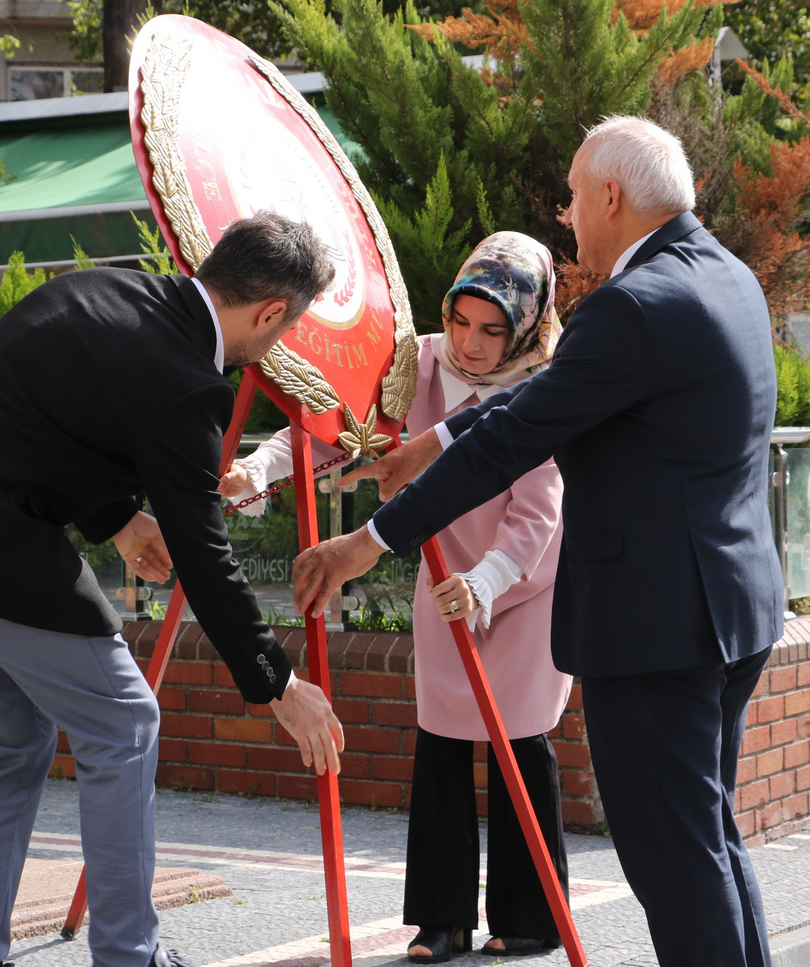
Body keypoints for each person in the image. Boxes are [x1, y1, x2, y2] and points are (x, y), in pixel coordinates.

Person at [293, 117, 785, 966]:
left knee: (674, 859)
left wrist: (367, 542)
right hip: (731, 610)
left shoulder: (632, 305)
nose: (567, 214)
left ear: (611, 195)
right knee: (706, 840)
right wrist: (428, 443)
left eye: (571, 193)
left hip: (659, 630)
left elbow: (514, 440)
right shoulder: (724, 276)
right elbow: (534, 402)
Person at [0, 211, 346, 967]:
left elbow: (35, 413)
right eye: (283, 330)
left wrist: (117, 521)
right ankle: (129, 956)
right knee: (126, 723)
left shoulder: (110, 287)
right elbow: (205, 556)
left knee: (13, 742)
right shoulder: (187, 388)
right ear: (271, 311)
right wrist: (279, 681)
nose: (274, 346)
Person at [222, 233, 571, 962]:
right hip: (442, 571)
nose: (472, 344)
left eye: (493, 329)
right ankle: (441, 919)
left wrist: (490, 581)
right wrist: (260, 469)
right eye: (464, 321)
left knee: (520, 739)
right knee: (442, 738)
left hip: (524, 582)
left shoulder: (548, 380)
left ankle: (531, 914)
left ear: (528, 327)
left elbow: (539, 510)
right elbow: (336, 425)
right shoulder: (418, 360)